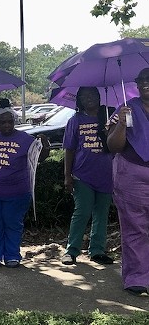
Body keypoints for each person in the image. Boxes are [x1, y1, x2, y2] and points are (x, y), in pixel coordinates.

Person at [0, 98, 49, 269]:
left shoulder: (25, 139)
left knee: (13, 224)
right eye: (3, 122)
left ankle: (12, 255)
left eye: (10, 121)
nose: (6, 125)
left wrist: (46, 145)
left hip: (17, 193)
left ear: (15, 121)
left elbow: (39, 158)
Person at [106, 67, 149, 297]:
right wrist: (121, 123)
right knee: (135, 228)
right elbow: (113, 146)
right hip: (132, 174)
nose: (145, 83)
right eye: (141, 80)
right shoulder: (126, 109)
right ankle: (137, 279)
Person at [61, 87, 114, 266]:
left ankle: (97, 250)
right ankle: (71, 250)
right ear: (79, 101)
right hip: (82, 174)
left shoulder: (109, 117)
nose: (89, 99)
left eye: (92, 95)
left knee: (101, 213)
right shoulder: (75, 121)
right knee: (82, 211)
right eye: (84, 96)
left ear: (99, 97)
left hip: (107, 174)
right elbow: (69, 149)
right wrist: (67, 176)